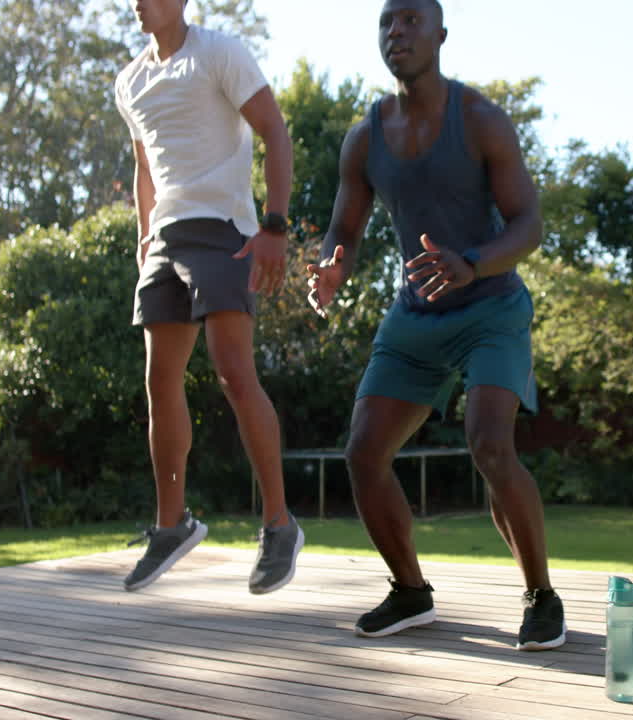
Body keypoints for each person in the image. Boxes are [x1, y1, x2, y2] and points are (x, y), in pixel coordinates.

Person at [306, 0, 565, 650]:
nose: (397, 31)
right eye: (386, 22)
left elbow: (529, 223)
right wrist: (332, 263)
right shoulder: (365, 137)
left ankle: (541, 595)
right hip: (415, 313)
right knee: (363, 453)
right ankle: (410, 592)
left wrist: (471, 264)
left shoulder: (480, 119)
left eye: (411, 20)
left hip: (490, 306)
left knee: (489, 445)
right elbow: (344, 225)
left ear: (441, 35)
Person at [114, 0, 303, 595]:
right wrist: (143, 236)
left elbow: (275, 130)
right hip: (165, 242)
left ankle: (279, 523)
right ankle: (171, 525)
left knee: (233, 374)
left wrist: (275, 226)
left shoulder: (220, 51)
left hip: (224, 231)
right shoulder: (131, 80)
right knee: (158, 382)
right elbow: (145, 167)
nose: (139, 4)